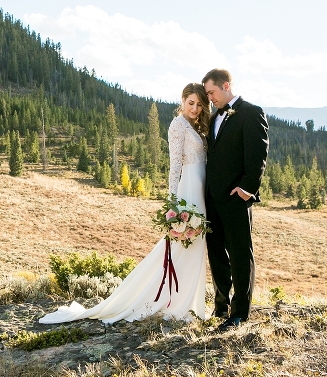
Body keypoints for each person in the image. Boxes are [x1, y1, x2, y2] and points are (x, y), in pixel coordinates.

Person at [38, 84, 211, 325]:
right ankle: (173, 303)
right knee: (182, 245)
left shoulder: (196, 126)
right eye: (191, 102)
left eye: (200, 104)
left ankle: (189, 303)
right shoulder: (178, 125)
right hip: (189, 189)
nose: (195, 108)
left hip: (201, 189)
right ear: (182, 100)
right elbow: (174, 166)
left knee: (194, 245)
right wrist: (173, 204)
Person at [202, 68, 269, 329]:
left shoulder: (251, 113)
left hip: (236, 199)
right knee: (216, 253)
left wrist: (246, 189)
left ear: (226, 85)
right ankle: (221, 306)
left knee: (241, 255)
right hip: (212, 199)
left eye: (212, 92)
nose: (210, 99)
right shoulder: (214, 116)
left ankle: (240, 313)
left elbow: (258, 153)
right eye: (207, 94)